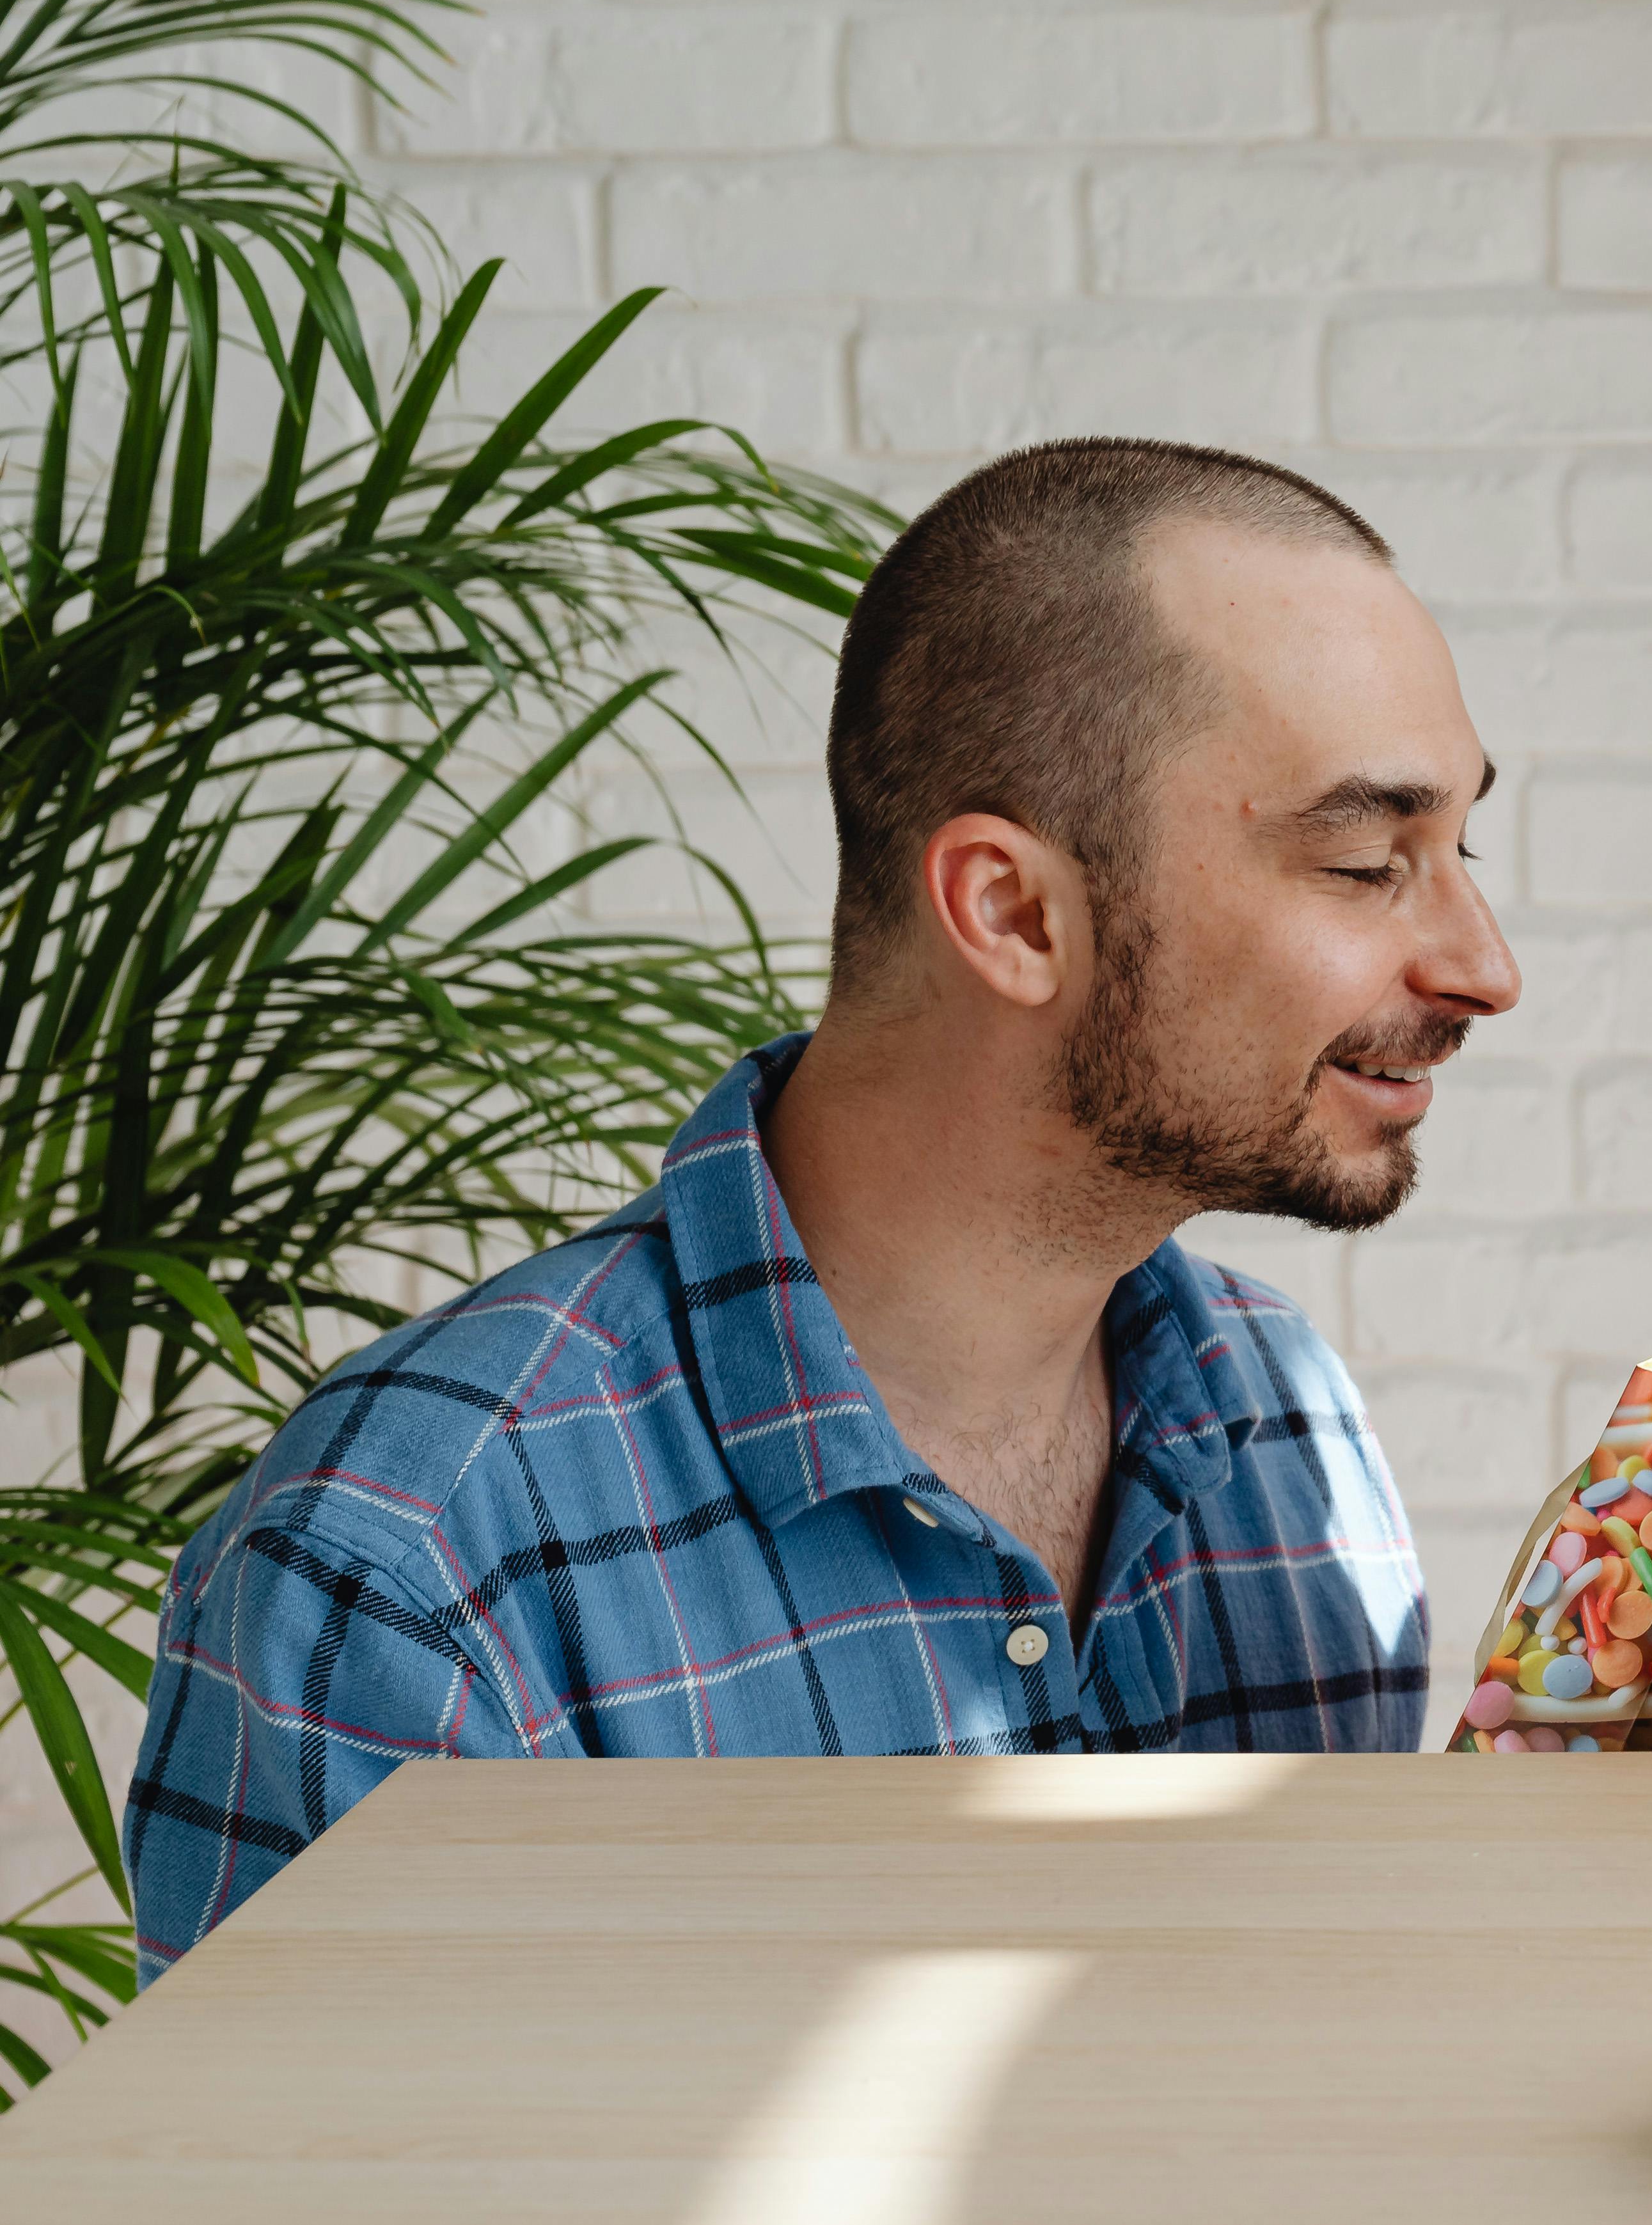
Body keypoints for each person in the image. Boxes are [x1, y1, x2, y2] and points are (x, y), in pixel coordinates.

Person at [123, 440, 1517, 1974]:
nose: (1482, 964)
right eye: (1366, 861)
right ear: (1012, 912)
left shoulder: (1286, 1428)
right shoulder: (412, 1572)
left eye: (1463, 847)